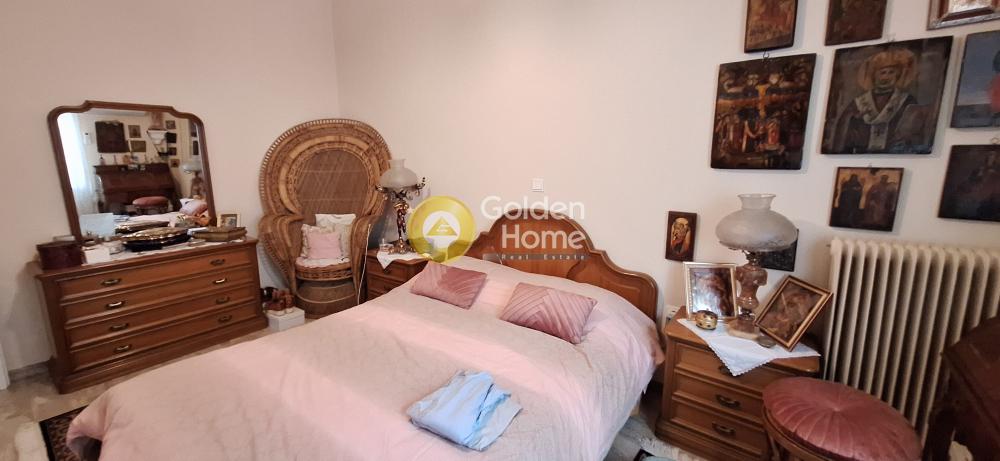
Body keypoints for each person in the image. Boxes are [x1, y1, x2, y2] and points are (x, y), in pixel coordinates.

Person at [828, 47, 925, 153]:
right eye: (882, 73)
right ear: (874, 76)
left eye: (891, 72)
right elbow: (843, 133)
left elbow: (915, 133)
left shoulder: (906, 101)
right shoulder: (859, 102)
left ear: (898, 75)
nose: (886, 77)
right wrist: (853, 119)